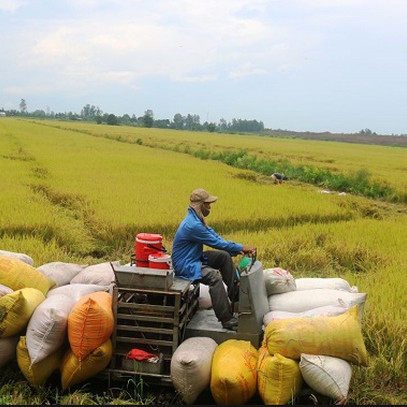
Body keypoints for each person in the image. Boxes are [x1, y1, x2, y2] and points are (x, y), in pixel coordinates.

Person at [171, 188, 256, 331]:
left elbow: (216, 237)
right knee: (214, 277)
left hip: (194, 258)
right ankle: (226, 319)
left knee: (223, 256)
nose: (210, 207)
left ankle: (235, 297)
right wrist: (241, 246)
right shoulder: (193, 225)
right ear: (199, 205)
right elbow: (216, 242)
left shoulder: (198, 219)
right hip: (186, 264)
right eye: (207, 204)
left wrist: (237, 249)